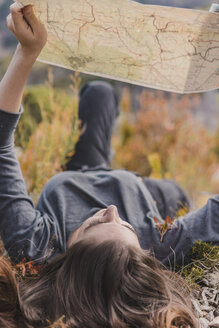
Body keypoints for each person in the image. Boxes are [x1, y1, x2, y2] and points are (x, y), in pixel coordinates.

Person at [0, 3, 217, 327]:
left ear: (67, 257)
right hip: (148, 191)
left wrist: (27, 51)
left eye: (96, 223)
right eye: (127, 227)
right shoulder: (159, 245)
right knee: (179, 194)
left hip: (82, 171)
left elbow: (1, 142)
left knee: (99, 93)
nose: (112, 209)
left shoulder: (36, 245)